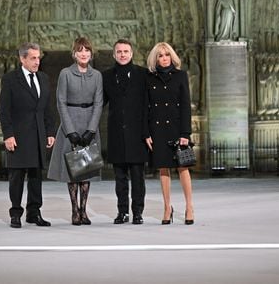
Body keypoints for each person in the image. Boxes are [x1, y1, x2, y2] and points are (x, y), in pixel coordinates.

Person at [0, 42, 56, 228]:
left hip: (38, 134)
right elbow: (4, 110)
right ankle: (16, 213)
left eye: (38, 58)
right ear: (22, 59)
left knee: (35, 176)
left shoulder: (44, 78)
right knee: (17, 177)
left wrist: (50, 132)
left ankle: (34, 213)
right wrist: (8, 134)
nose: (37, 61)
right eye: (33, 58)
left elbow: (47, 108)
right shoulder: (10, 79)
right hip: (18, 136)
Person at [48, 37, 103, 225]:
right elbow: (60, 102)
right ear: (74, 53)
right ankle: (74, 211)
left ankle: (84, 210)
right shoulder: (65, 73)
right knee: (72, 171)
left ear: (91, 53)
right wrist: (70, 130)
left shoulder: (96, 75)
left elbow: (99, 103)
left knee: (85, 170)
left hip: (89, 123)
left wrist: (91, 129)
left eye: (87, 50)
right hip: (69, 123)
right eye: (80, 50)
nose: (84, 53)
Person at [144, 42, 194, 225]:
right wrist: (146, 132)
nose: (164, 58)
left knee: (183, 167)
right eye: (160, 55)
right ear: (155, 58)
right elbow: (145, 107)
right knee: (163, 168)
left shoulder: (180, 76)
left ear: (171, 56)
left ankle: (189, 206)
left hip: (176, 128)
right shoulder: (149, 78)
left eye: (166, 55)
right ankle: (167, 207)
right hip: (157, 129)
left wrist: (185, 133)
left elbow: (186, 106)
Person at [102, 39, 149, 225]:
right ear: (114, 54)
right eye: (119, 51)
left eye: (126, 51)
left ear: (132, 54)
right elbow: (100, 103)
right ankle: (122, 212)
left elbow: (148, 106)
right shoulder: (106, 76)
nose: (122, 54)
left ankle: (137, 212)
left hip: (137, 135)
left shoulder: (143, 74)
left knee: (138, 178)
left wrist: (147, 133)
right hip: (116, 135)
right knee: (120, 179)